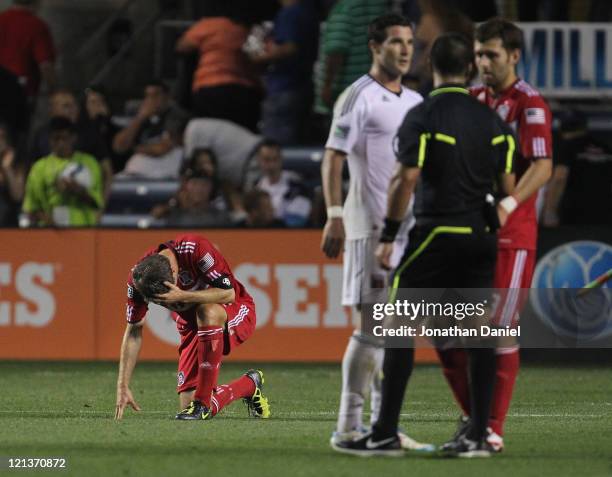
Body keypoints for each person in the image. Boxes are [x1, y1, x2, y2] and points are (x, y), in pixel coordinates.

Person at [333, 32, 516, 457]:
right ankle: (478, 437)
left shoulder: (423, 113)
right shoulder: (494, 122)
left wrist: (391, 233)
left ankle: (383, 433)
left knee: (395, 327)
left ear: (431, 67)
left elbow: (406, 178)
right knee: (478, 334)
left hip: (434, 234)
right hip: (480, 237)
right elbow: (506, 187)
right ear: (470, 69)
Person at [437, 18, 553, 453]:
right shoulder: (472, 100)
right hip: (468, 228)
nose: (483, 63)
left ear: (514, 56)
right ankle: (475, 420)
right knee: (447, 325)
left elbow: (542, 165)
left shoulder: (530, 104)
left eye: (492, 55)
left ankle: (490, 429)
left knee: (497, 329)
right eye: (479, 55)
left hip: (510, 232)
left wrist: (509, 202)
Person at [321, 14, 429, 452]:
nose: (405, 49)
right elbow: (332, 157)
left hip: (408, 232)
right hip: (368, 227)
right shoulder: (356, 97)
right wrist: (334, 213)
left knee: (396, 333)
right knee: (372, 327)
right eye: (396, 42)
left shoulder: (417, 101)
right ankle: (348, 428)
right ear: (375, 47)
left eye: (409, 42)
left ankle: (384, 427)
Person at [114, 233, 271, 421]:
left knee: (207, 312)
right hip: (191, 325)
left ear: (174, 272)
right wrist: (123, 385)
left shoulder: (194, 248)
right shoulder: (138, 280)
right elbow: (133, 331)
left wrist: (182, 296)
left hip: (233, 308)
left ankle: (202, 404)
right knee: (188, 406)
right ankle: (249, 384)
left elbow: (228, 293)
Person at [176, 11, 262, 132]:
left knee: (210, 133)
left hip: (210, 87)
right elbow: (258, 56)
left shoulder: (207, 25)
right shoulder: (247, 29)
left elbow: (182, 46)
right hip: (244, 90)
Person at [249, 0, 319, 144]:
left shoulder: (290, 13)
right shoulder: (308, 10)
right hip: (302, 86)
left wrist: (259, 58)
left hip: (284, 88)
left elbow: (290, 47)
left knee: (276, 148)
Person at [30, 89, 113, 202]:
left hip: (84, 202)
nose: (73, 109)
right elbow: (32, 172)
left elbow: (107, 172)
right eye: (66, 106)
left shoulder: (90, 134)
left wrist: (101, 205)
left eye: (74, 105)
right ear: (52, 109)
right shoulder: (41, 135)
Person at [22, 117, 104, 227]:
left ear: (73, 138)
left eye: (64, 138)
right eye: (55, 138)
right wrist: (48, 220)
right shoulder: (39, 168)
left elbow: (97, 202)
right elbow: (31, 207)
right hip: (49, 233)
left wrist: (77, 190)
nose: (60, 143)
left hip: (84, 230)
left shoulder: (89, 163)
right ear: (49, 139)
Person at [314, 0, 390, 116]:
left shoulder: (344, 9)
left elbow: (336, 49)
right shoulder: (379, 6)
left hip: (344, 94)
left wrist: (327, 86)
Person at [113, 80, 189, 179]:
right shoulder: (141, 117)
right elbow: (119, 146)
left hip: (165, 170)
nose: (151, 100)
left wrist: (134, 148)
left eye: (155, 95)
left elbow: (161, 149)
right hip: (136, 172)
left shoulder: (176, 115)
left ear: (167, 97)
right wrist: (140, 118)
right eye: (148, 96)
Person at [0, 0, 56, 98]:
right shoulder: (36, 26)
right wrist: (54, 90)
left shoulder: (2, 19)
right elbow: (45, 64)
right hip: (21, 89)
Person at [253, 139, 311, 227]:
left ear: (281, 159)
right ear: (259, 160)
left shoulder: (297, 187)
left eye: (275, 159)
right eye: (267, 160)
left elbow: (298, 221)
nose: (272, 165)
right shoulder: (256, 187)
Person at [0, 122, 25, 227]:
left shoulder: (16, 163)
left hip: (8, 226)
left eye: (2, 137)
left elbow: (18, 195)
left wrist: (7, 169)